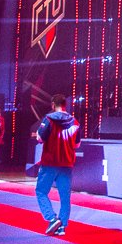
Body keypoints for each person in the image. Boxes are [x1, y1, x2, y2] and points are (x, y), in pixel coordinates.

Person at [34, 94, 80, 236]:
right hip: (67, 163)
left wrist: (38, 134)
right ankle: (62, 227)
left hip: (50, 162)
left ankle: (52, 218)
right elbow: (77, 144)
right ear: (65, 105)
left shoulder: (48, 119)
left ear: (53, 105)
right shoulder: (75, 122)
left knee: (41, 191)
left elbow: (40, 138)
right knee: (65, 197)